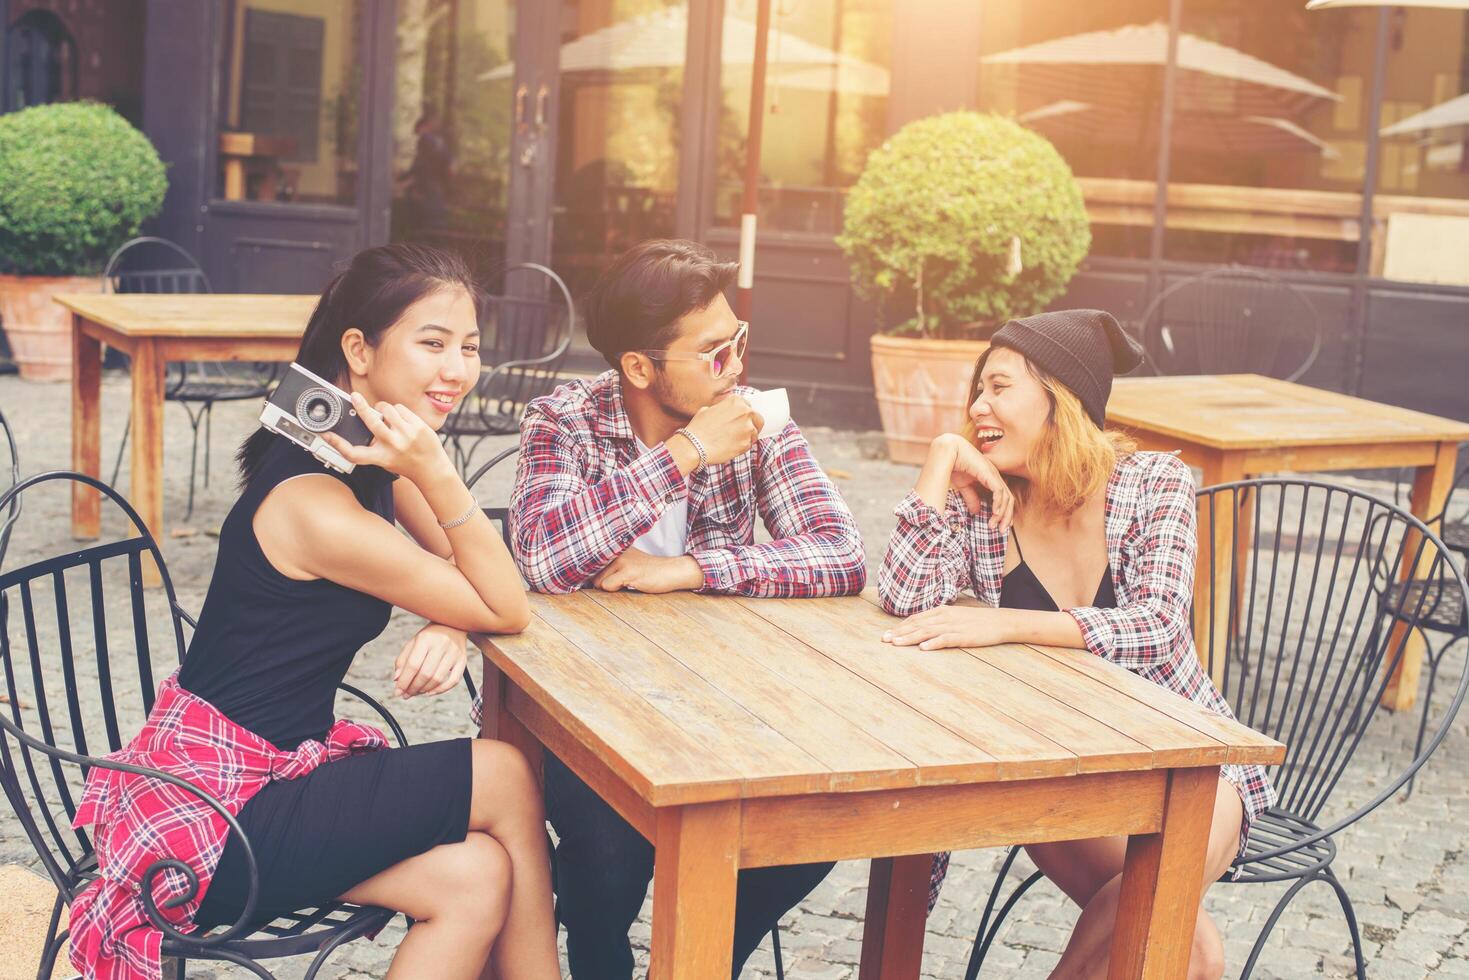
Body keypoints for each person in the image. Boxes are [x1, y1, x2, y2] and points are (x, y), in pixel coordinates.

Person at [68, 244, 559, 980]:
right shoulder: (316, 504)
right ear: (358, 350)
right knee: (503, 774)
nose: (456, 370)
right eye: (432, 343)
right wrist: (435, 472)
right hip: (218, 812)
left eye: (469, 347)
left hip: (269, 774)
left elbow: (486, 583)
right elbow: (508, 604)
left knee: (475, 876)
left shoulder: (356, 454)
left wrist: (450, 616)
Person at [877, 309, 1276, 980]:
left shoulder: (1152, 484)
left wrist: (1005, 623)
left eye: (998, 387)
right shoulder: (985, 508)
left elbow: (1159, 626)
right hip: (1058, 771)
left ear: (1060, 398)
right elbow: (906, 599)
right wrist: (941, 458)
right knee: (1190, 950)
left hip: (1189, 765)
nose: (978, 405)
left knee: (1167, 928)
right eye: (976, 391)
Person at [506, 238, 867, 977]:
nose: (734, 367)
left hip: (715, 698)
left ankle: (703, 956)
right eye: (712, 353)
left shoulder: (747, 414)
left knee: (820, 823)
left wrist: (693, 568)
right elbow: (540, 554)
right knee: (607, 850)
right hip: (588, 699)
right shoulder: (565, 420)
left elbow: (839, 552)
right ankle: (598, 956)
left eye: (736, 341)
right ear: (639, 368)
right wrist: (684, 455)